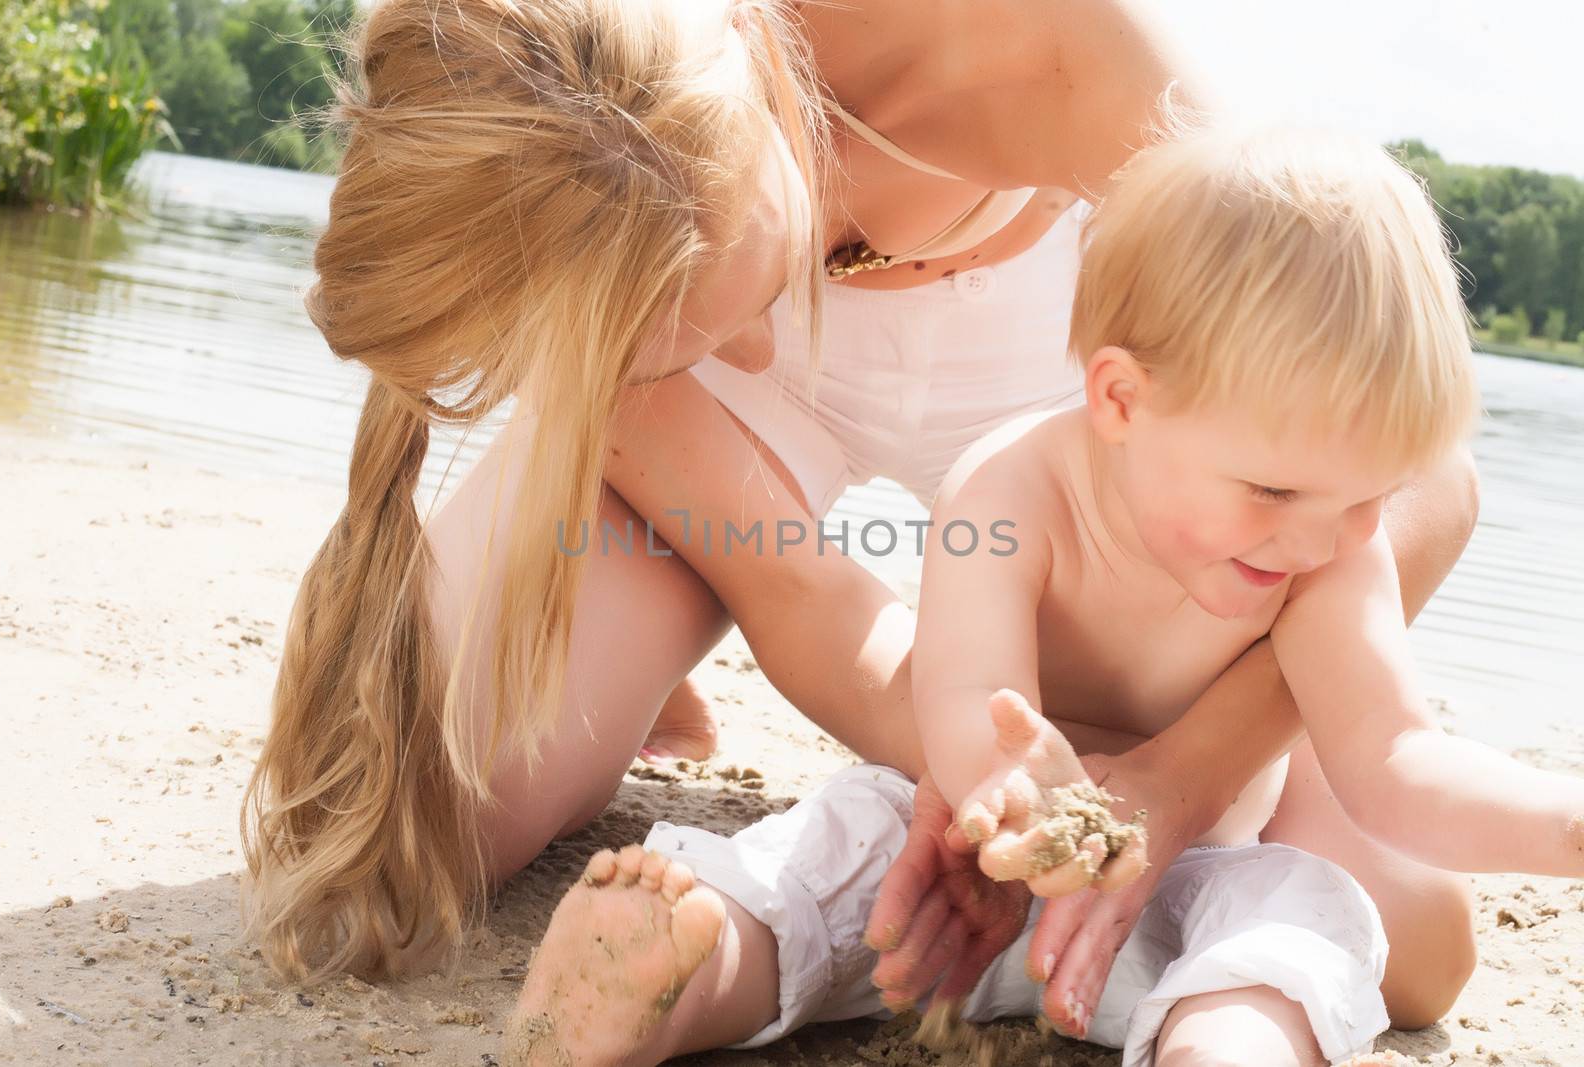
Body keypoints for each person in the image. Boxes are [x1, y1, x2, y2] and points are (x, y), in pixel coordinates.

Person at [239, 0, 1481, 1033]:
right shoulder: (581, 192)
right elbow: (810, 598)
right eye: (696, 328)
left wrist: (1169, 776)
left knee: (1367, 889)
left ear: (742, 102)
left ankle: (1273, 778)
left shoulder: (1066, 51)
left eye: (750, 282)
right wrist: (962, 759)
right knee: (436, 815)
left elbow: (1426, 483)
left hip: (1058, 366)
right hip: (717, 414)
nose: (772, 333)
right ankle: (642, 635)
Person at [509, 123, 1584, 1067]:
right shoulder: (1012, 487)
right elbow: (968, 709)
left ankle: (1224, 1046)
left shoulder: (1329, 547)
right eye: (1272, 488)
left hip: (1192, 874)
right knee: (821, 865)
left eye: (1367, 500)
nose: (1320, 536)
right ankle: (667, 981)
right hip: (963, 870)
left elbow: (1395, 764)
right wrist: (1026, 806)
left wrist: (1564, 825)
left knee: (1295, 919)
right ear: (1120, 397)